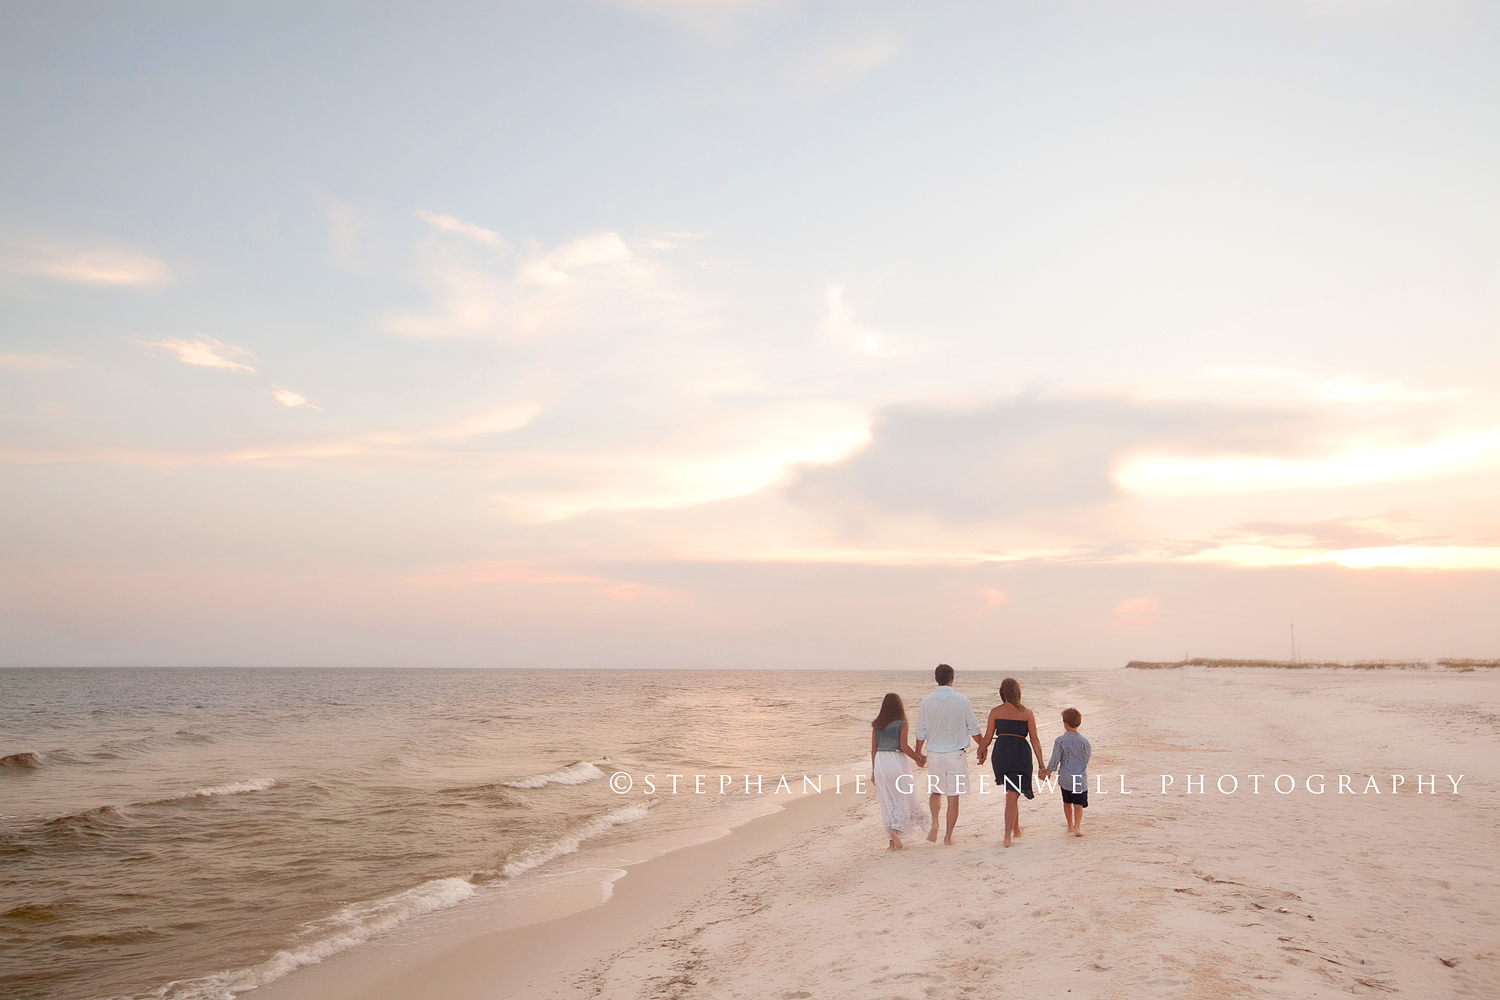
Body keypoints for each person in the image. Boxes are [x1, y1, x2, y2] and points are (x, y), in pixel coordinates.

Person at [913, 663, 983, 846]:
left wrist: (917, 753)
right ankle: (948, 837)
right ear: (952, 679)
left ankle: (935, 823)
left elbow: (920, 730)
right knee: (953, 797)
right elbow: (973, 727)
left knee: (935, 791)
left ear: (936, 679)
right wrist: (982, 747)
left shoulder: (926, 702)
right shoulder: (962, 700)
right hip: (955, 756)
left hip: (934, 754)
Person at [977, 677, 1048, 848]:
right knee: (1012, 793)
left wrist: (981, 752)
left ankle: (1016, 830)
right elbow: (1035, 740)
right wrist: (1041, 765)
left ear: (1002, 693)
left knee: (1011, 792)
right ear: (1018, 692)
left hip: (1001, 752)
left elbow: (987, 738)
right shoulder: (1027, 713)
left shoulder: (996, 711)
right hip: (1019, 753)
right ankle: (1007, 836)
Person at [869, 693, 926, 850]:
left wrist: (874, 771)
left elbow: (873, 749)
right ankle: (895, 830)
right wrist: (918, 759)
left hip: (880, 762)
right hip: (896, 761)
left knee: (886, 802)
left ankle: (891, 843)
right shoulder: (902, 723)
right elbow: (903, 746)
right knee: (903, 797)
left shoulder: (876, 725)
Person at [1048, 707, 1091, 837]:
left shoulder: (1060, 740)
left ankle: (1070, 825)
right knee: (1078, 804)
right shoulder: (1084, 741)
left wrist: (1049, 770)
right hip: (1079, 777)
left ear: (1065, 724)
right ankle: (1077, 827)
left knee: (1067, 802)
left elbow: (1055, 758)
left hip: (1065, 777)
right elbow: (1086, 759)